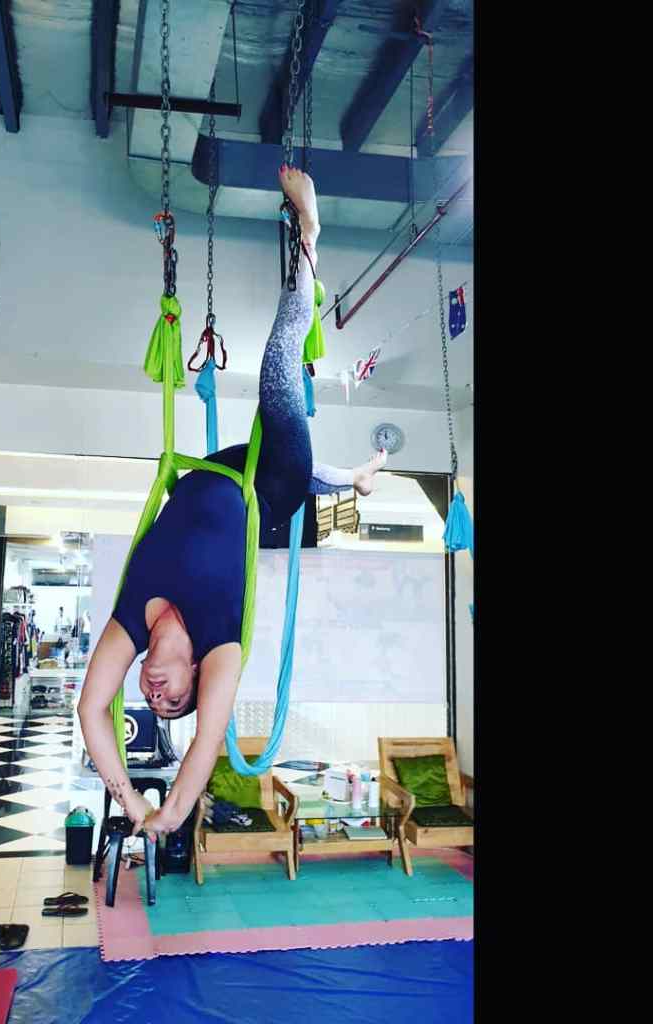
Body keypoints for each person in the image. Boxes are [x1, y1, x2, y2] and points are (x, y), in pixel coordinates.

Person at [77, 167, 388, 840]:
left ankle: (355, 479)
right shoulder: (221, 644)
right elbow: (203, 745)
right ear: (195, 676)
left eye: (152, 700)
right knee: (279, 370)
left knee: (307, 461)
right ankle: (310, 235)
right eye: (173, 699)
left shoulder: (130, 623)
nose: (155, 695)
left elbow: (90, 711)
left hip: (220, 470)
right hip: (265, 488)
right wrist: (163, 812)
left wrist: (126, 800)